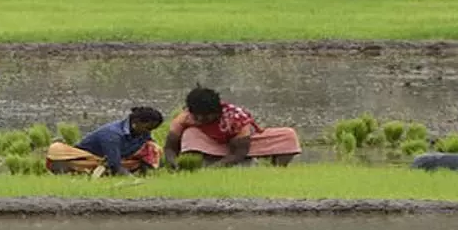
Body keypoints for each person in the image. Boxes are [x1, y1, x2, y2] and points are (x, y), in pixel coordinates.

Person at [164, 87, 300, 168]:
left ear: (217, 111)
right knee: (190, 133)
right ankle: (201, 165)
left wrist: (216, 168)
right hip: (209, 145)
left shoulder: (235, 118)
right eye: (197, 116)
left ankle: (276, 170)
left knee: (288, 135)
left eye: (206, 117)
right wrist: (172, 162)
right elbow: (170, 147)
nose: (200, 120)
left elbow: (240, 152)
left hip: (242, 146)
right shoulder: (184, 118)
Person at [45, 107, 165, 176]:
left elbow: (149, 152)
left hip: (116, 159)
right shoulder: (112, 134)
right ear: (136, 122)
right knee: (57, 151)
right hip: (89, 159)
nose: (149, 132)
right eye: (148, 128)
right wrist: (132, 180)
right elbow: (115, 164)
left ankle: (141, 174)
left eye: (152, 129)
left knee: (152, 147)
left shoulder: (143, 133)